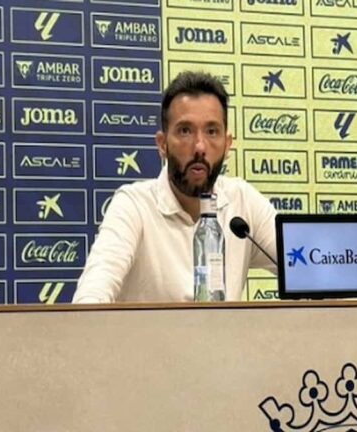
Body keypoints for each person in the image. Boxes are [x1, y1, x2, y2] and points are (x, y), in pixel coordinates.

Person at [72, 71, 277, 303]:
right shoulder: (134, 205)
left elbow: (308, 268)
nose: (200, 147)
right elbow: (92, 294)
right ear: (162, 144)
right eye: (185, 131)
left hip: (224, 340)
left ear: (227, 144)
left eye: (212, 131)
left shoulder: (242, 201)